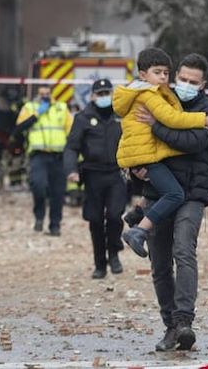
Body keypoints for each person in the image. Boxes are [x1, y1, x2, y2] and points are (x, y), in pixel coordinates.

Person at [132, 53, 208, 352]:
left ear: (203, 84)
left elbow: (191, 143)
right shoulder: (158, 100)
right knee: (159, 264)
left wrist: (157, 126)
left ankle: (184, 321)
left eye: (192, 82)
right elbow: (135, 142)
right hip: (160, 195)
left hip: (191, 196)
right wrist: (134, 170)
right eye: (181, 78)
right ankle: (170, 326)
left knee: (184, 250)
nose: (184, 84)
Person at [112, 47, 208, 257]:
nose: (162, 77)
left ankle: (137, 214)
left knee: (181, 249)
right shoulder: (150, 95)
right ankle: (139, 231)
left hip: (144, 156)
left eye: (165, 73)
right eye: (157, 72)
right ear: (143, 74)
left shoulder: (141, 91)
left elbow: (189, 142)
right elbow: (173, 119)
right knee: (174, 193)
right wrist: (202, 119)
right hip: (147, 156)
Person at [64, 78, 126, 279]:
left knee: (116, 216)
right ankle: (100, 264)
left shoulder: (121, 116)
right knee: (96, 220)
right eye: (100, 94)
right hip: (92, 174)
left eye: (107, 93)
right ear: (92, 96)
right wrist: (71, 169)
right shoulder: (83, 118)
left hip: (117, 174)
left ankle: (114, 252)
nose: (104, 97)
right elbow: (72, 147)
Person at [13, 86, 74, 236]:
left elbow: (72, 131)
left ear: (52, 94)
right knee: (38, 185)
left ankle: (55, 225)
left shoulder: (61, 108)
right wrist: (37, 113)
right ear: (37, 95)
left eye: (47, 94)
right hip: (38, 156)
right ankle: (39, 217)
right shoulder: (30, 107)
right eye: (42, 94)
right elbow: (19, 128)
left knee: (58, 193)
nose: (45, 96)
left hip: (58, 156)